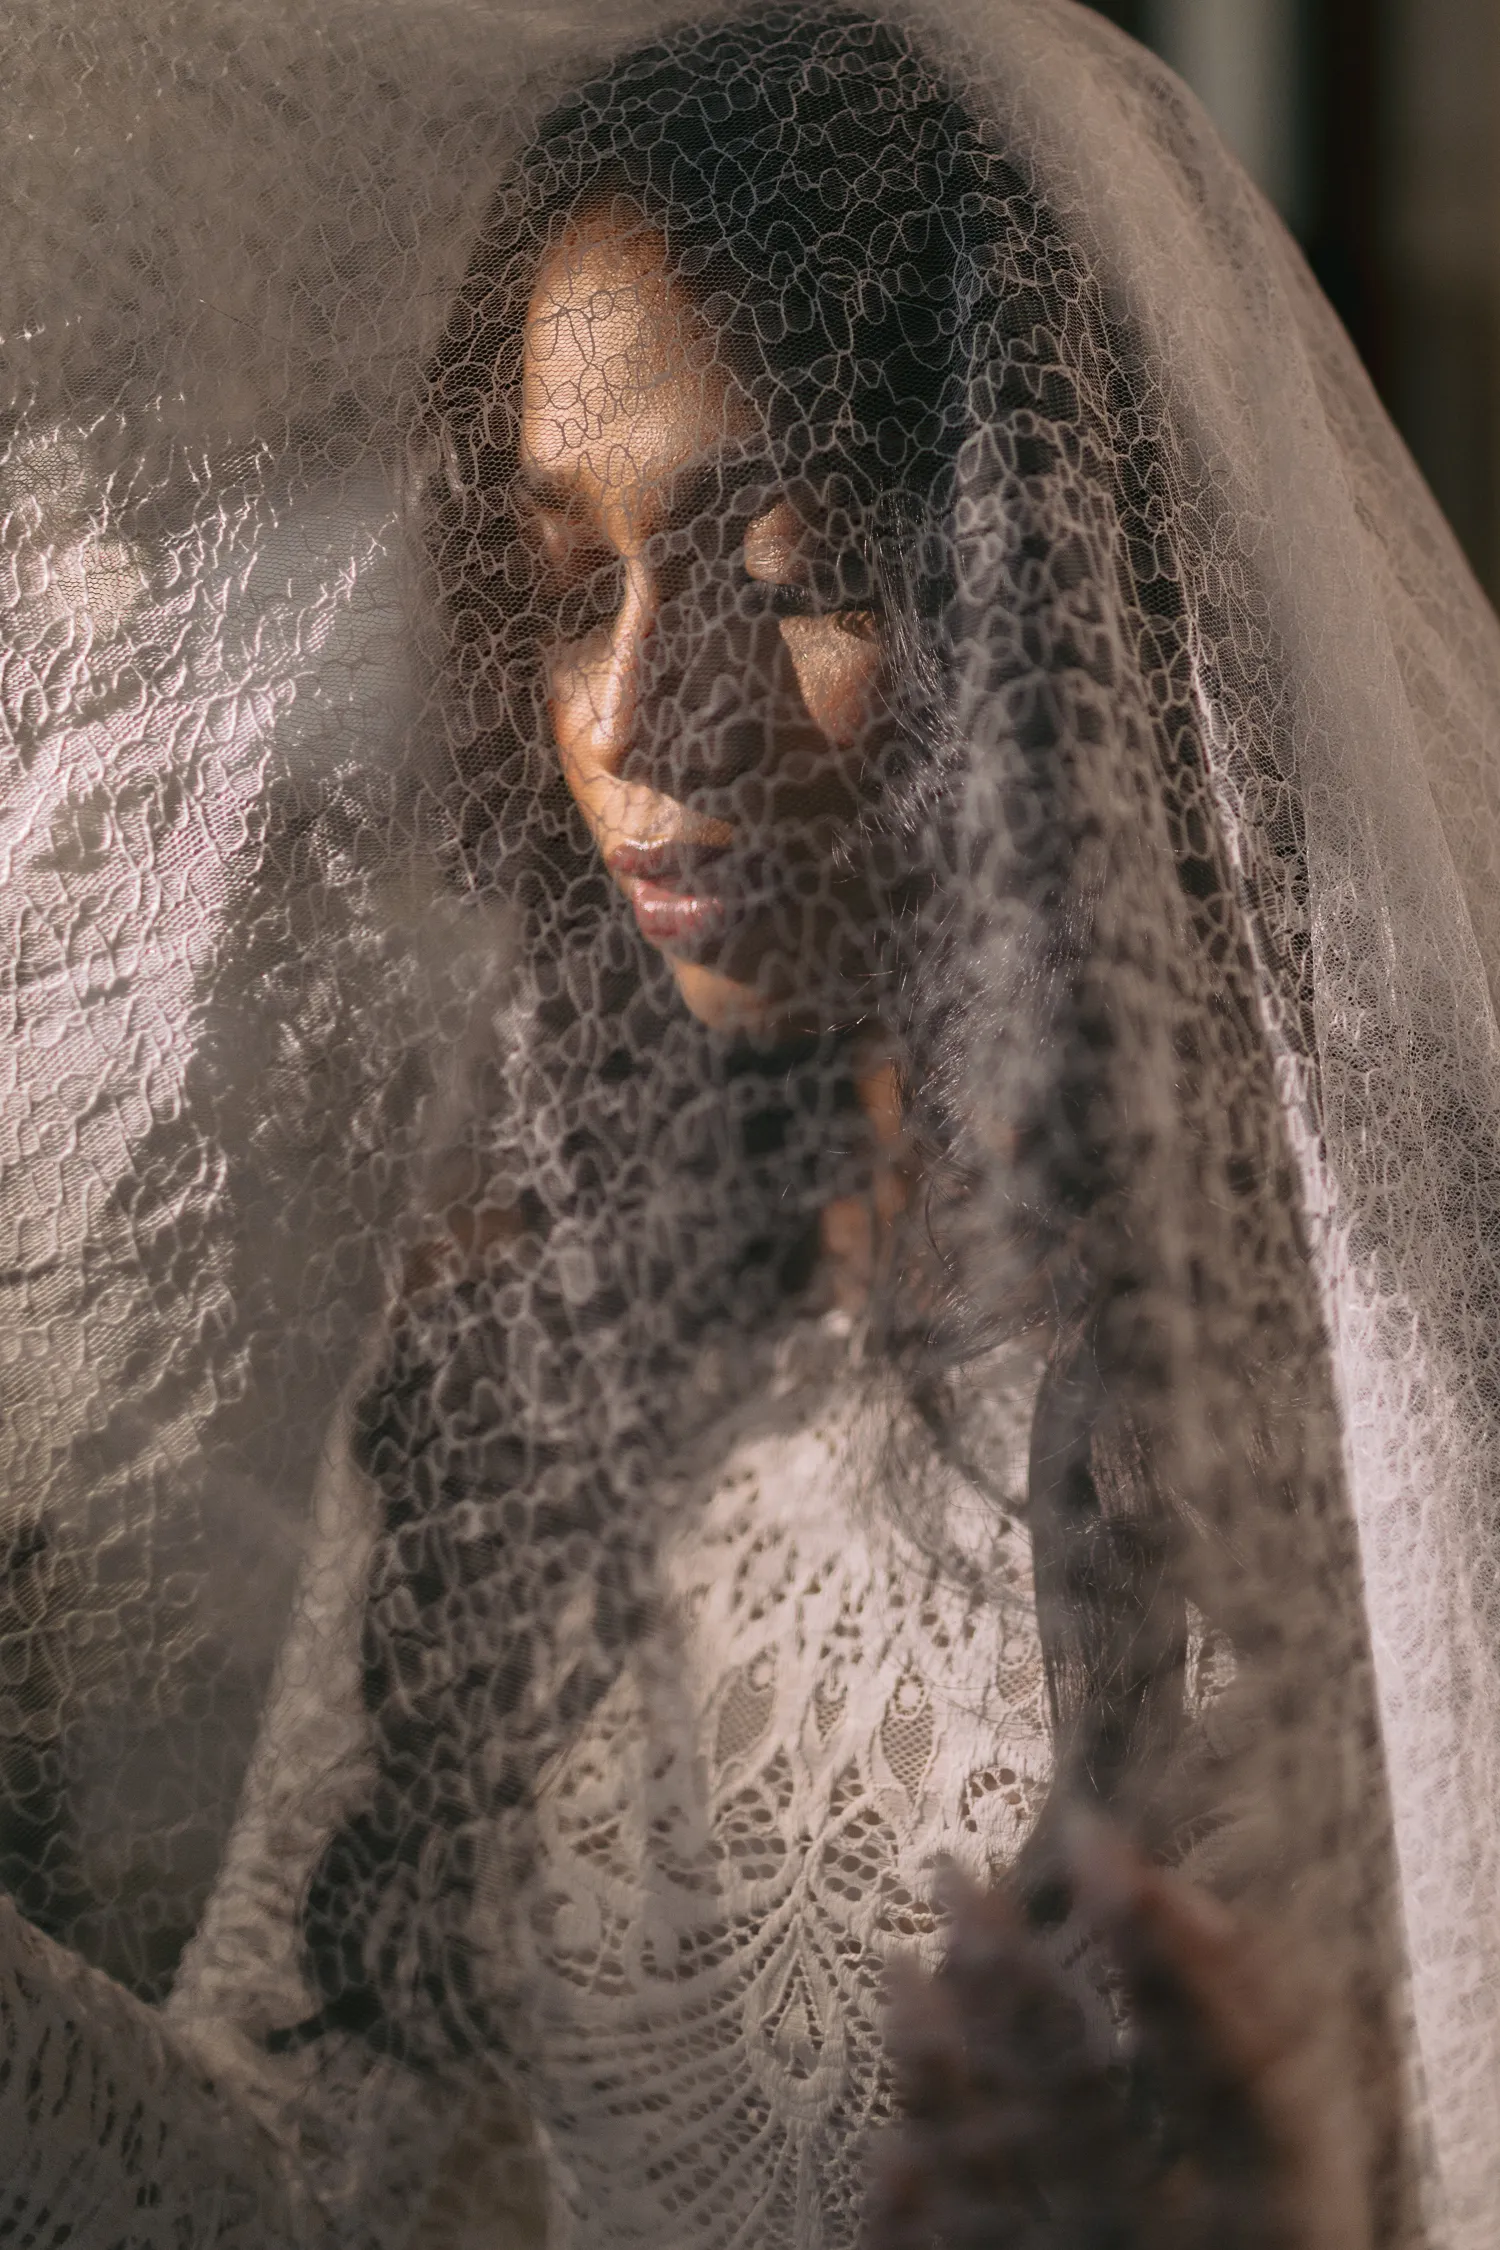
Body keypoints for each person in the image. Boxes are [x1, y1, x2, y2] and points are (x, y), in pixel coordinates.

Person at [2, 5, 1499, 2248]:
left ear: (1043, 609)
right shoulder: (530, 1355)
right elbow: (305, 2190)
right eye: (563, 589)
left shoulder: (1366, 1412)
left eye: (792, 572)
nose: (635, 713)